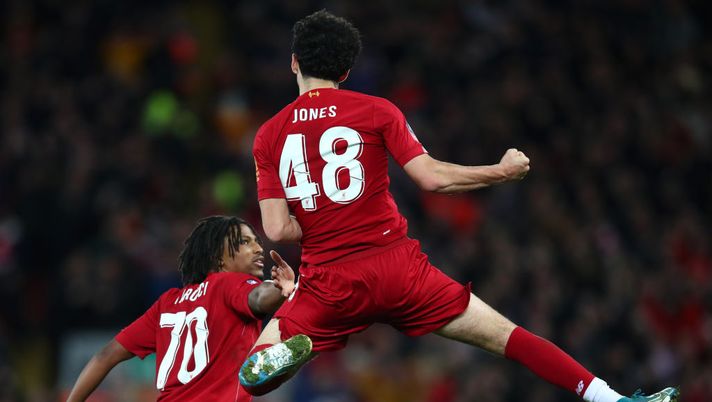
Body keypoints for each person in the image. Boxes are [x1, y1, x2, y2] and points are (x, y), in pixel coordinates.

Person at [241, 10, 679, 402]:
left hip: (329, 283)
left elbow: (277, 230)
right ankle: (612, 400)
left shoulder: (270, 135)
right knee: (507, 337)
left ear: (294, 62)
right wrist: (500, 172)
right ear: (347, 70)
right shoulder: (377, 110)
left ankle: (275, 360)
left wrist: (318, 221)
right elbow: (431, 178)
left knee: (250, 372)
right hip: (398, 269)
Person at [66, 216, 296, 402]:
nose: (258, 248)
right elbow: (259, 297)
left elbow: (105, 356)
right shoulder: (229, 283)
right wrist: (280, 288)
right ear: (219, 258)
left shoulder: (167, 302)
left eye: (257, 241)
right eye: (245, 242)